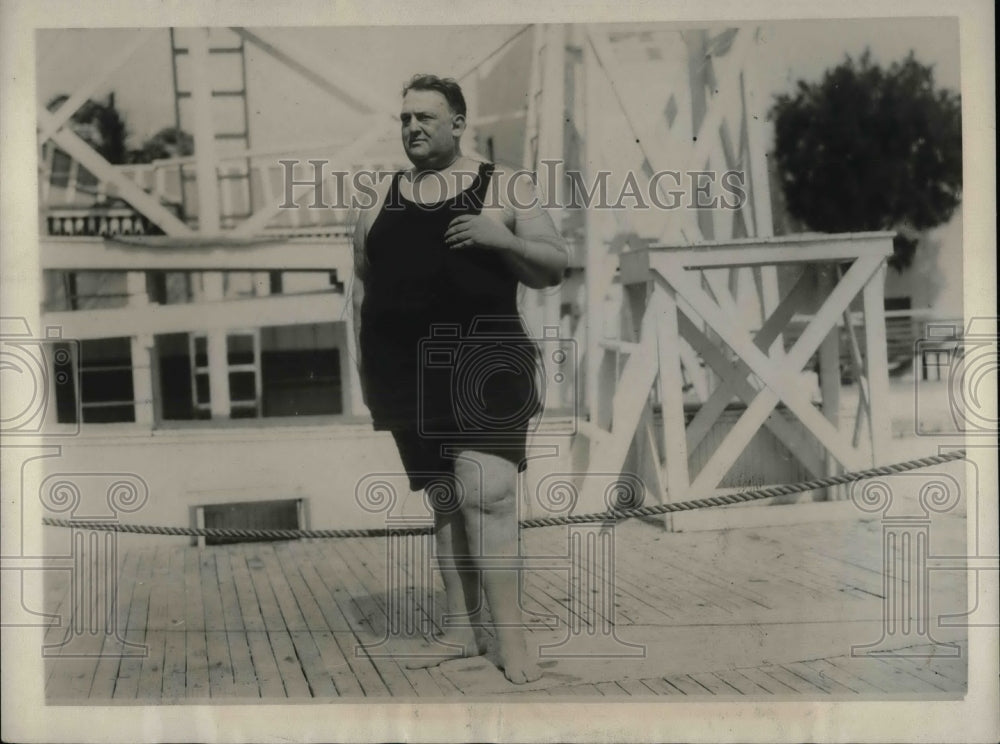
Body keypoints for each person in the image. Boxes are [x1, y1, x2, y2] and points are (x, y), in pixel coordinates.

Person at [351, 74, 568, 684]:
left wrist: (501, 236)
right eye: (404, 119)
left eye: (425, 116)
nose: (413, 127)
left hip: (487, 364)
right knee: (446, 503)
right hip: (405, 372)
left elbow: (555, 264)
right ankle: (459, 631)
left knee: (488, 496)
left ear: (457, 123)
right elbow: (360, 288)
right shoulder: (377, 196)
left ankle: (512, 641)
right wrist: (368, 377)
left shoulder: (504, 185)